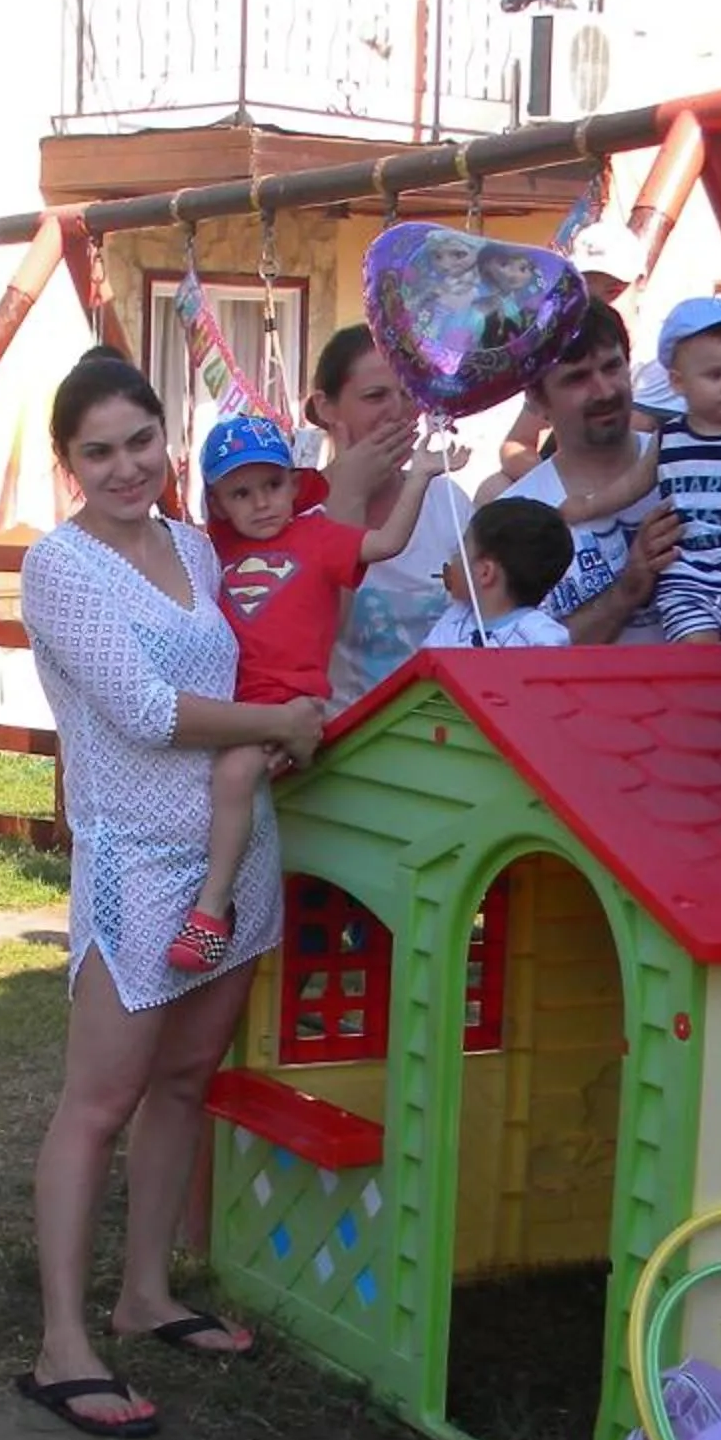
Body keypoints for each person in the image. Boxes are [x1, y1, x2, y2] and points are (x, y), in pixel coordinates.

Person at [15, 348, 330, 1439]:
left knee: (186, 1078)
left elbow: (261, 645)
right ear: (69, 464)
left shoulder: (197, 544)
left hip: (232, 852)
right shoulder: (57, 568)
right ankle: (63, 1343)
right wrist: (280, 727)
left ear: (167, 439)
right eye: (97, 452)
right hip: (138, 863)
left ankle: (144, 1293)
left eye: (140, 442)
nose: (124, 467)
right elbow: (149, 710)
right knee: (98, 1101)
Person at [170, 406, 432, 974]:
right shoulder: (212, 553)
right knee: (214, 789)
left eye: (271, 485)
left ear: (294, 483)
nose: (261, 502)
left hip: (288, 703)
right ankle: (227, 901)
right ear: (218, 504)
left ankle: (211, 914)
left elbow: (385, 543)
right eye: (241, 494)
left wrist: (419, 477)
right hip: (234, 704)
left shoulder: (316, 536)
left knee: (236, 776)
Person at [561, 297, 721, 642]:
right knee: (695, 647)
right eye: (716, 375)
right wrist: (589, 505)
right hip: (688, 578)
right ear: (678, 382)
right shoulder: (670, 438)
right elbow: (632, 485)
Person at [477, 301, 682, 645]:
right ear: (536, 401)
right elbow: (511, 665)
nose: (605, 391)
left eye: (612, 366)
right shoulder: (512, 521)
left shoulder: (690, 459)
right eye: (577, 378)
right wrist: (625, 592)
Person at [316, 325, 483, 708]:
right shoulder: (294, 511)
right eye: (376, 397)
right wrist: (351, 494)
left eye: (409, 395)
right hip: (345, 742)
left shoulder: (446, 500)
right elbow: (318, 636)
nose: (398, 412)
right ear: (327, 408)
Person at [491, 219, 663, 483]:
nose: (597, 303)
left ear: (641, 282)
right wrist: (553, 492)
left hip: (635, 485)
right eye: (583, 292)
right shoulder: (560, 343)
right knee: (493, 488)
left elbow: (613, 452)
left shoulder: (661, 356)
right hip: (578, 483)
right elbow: (515, 445)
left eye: (613, 291)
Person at [423, 498, 577, 650]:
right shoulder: (453, 621)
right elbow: (424, 671)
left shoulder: (542, 640)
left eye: (460, 549)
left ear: (485, 572)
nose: (452, 558)